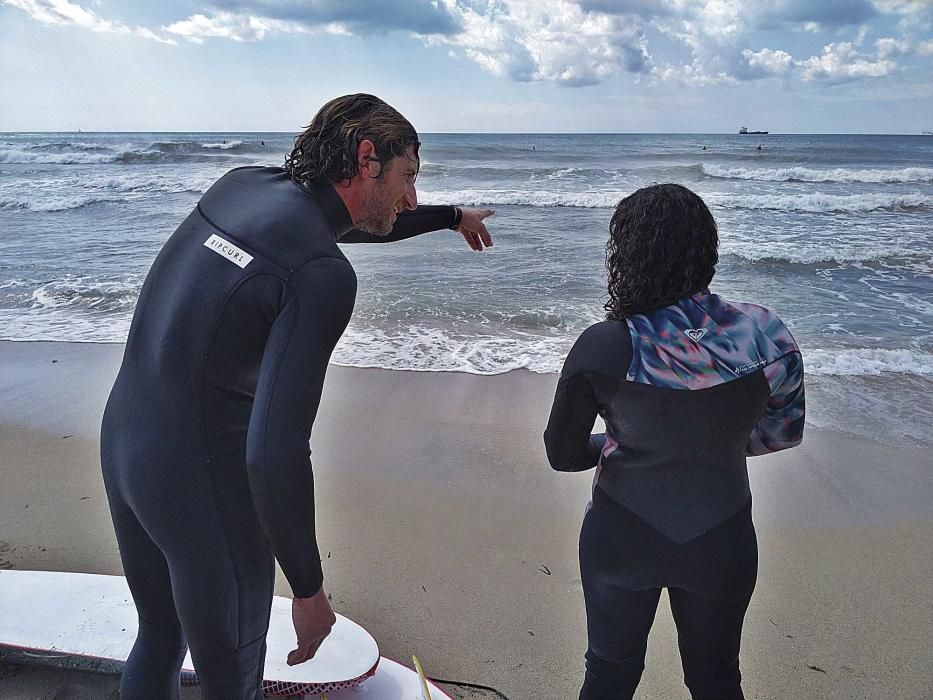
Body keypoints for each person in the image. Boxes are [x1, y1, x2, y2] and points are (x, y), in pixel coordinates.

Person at [100, 93, 494, 699]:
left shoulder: (243, 187)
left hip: (126, 444)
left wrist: (449, 216)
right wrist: (308, 590)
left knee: (159, 631)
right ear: (368, 160)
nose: (411, 197)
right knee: (231, 679)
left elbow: (340, 227)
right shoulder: (322, 276)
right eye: (408, 178)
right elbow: (273, 449)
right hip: (200, 489)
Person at [544, 183, 804, 700]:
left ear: (626, 256)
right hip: (722, 537)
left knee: (609, 677)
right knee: (716, 681)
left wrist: (624, 446)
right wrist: (708, 446)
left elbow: (563, 453)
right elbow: (781, 432)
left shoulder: (606, 344)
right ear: (708, 250)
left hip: (622, 538)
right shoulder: (766, 334)